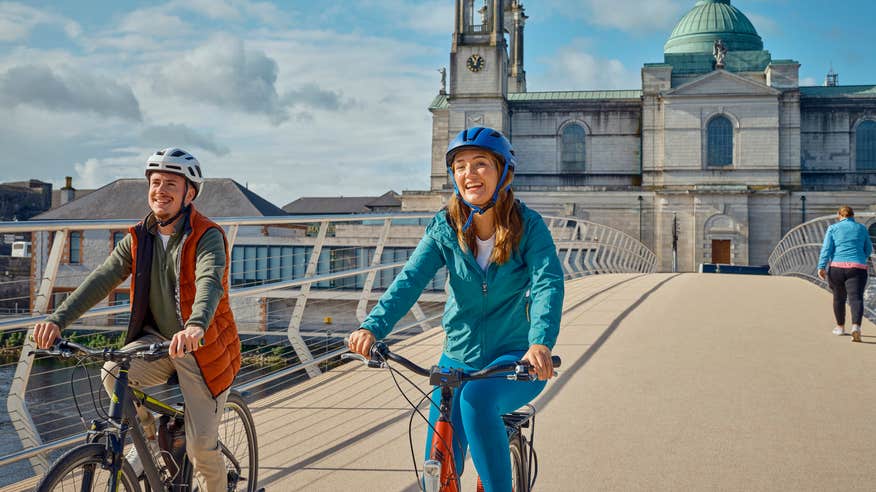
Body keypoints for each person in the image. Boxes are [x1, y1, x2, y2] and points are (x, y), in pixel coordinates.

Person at [349, 127, 564, 491]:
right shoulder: (445, 227)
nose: (469, 174)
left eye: (480, 164)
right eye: (461, 166)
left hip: (513, 362)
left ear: (503, 173)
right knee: (438, 460)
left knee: (479, 401)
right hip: (456, 359)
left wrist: (540, 342)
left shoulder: (529, 227)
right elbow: (409, 281)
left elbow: (547, 283)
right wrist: (373, 327)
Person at [32, 148, 241, 491]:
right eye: (155, 182)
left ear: (190, 193)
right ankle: (153, 438)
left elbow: (209, 283)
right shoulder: (139, 237)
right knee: (113, 373)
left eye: (171, 183)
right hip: (157, 343)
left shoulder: (207, 236)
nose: (161, 190)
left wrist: (196, 325)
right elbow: (102, 278)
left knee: (202, 448)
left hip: (201, 349)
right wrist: (58, 319)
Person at [817, 205, 873, 342]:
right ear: (853, 216)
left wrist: (821, 266)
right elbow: (869, 249)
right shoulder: (862, 228)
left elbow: (827, 249)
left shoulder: (833, 228)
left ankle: (840, 327)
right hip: (857, 268)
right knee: (856, 298)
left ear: (839, 216)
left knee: (838, 298)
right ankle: (856, 327)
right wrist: (861, 257)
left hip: (837, 267)